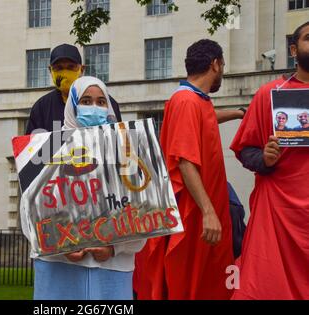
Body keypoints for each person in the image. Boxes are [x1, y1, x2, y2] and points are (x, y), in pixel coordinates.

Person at [134, 39, 239, 300]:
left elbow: (207, 117)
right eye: (223, 64)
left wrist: (238, 113)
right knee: (185, 284)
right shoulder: (186, 102)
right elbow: (185, 161)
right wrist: (209, 212)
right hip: (192, 216)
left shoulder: (195, 101)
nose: (222, 71)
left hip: (199, 215)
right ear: (215, 64)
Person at [33, 76, 145, 300]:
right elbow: (33, 210)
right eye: (85, 100)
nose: (94, 107)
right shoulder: (47, 149)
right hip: (58, 269)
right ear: (72, 105)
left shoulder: (125, 152)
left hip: (113, 269)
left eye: (101, 102)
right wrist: (60, 245)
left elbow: (144, 210)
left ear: (109, 108)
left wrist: (114, 249)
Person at [230, 21, 309, 300]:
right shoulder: (269, 94)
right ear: (293, 49)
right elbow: (244, 149)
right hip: (278, 211)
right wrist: (265, 158)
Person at [25, 44, 122, 134]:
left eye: (71, 67)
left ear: (82, 70)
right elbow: (31, 148)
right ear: (50, 70)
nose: (65, 73)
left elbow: (118, 140)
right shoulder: (41, 107)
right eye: (59, 68)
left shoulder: (108, 103)